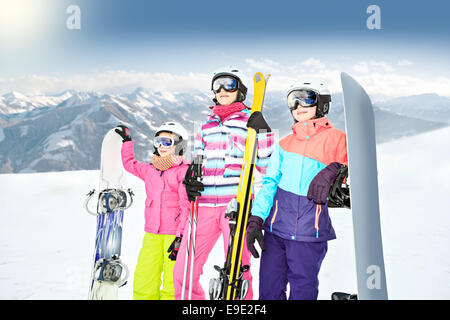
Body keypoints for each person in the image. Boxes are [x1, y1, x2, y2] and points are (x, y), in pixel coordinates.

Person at [173, 67, 274, 300]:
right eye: (217, 85)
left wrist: (264, 132)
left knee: (238, 272)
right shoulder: (204, 128)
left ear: (240, 91)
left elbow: (266, 166)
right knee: (183, 272)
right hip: (203, 206)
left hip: (236, 206)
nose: (221, 89)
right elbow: (196, 164)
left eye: (228, 84)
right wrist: (190, 179)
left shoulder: (249, 122)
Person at [246, 80, 348, 300]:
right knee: (269, 293)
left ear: (322, 104)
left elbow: (364, 175)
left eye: (307, 98)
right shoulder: (284, 144)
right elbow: (270, 183)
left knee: (303, 293)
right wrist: (256, 218)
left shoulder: (338, 139)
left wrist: (336, 168)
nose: (299, 105)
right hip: (275, 233)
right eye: (293, 100)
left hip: (309, 234)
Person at [115, 122, 191, 300]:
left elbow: (186, 206)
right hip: (151, 234)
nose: (162, 146)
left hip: (174, 235)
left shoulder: (184, 172)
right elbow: (130, 164)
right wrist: (127, 142)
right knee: (145, 276)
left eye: (167, 142)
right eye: (159, 142)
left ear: (179, 145)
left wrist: (180, 236)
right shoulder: (150, 170)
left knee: (172, 281)